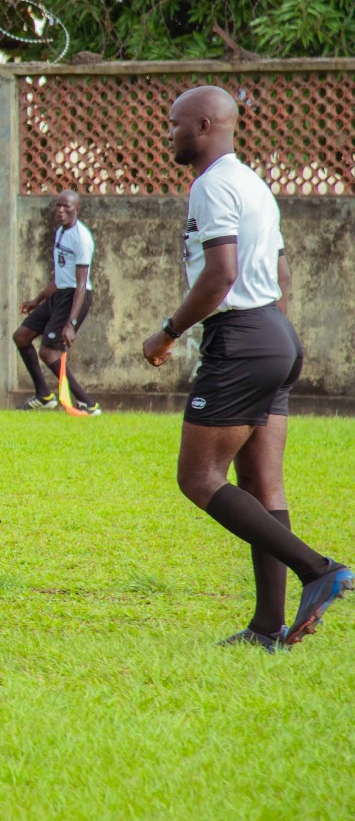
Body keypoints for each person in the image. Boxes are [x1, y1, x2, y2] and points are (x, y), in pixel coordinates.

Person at [141, 86, 350, 649]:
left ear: (205, 126)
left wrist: (166, 334)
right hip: (274, 333)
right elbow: (282, 276)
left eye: (174, 124)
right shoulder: (253, 183)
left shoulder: (211, 187)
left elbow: (219, 275)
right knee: (260, 482)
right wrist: (271, 341)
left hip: (241, 337)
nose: (169, 134)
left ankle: (319, 569)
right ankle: (267, 626)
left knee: (198, 478)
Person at [15, 189, 102, 415]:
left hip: (75, 296)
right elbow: (59, 277)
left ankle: (87, 404)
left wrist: (71, 323)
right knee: (22, 336)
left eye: (66, 207)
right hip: (59, 294)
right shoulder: (60, 233)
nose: (61, 211)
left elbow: (81, 284)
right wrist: (37, 300)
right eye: (58, 206)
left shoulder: (81, 238)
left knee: (49, 352)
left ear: (77, 209)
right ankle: (44, 396)